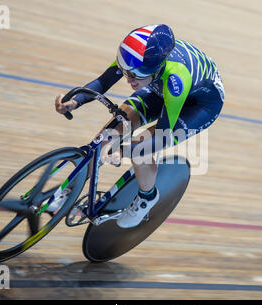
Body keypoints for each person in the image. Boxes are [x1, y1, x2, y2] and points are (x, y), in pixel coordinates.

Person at [55, 24, 225, 228]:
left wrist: (123, 151)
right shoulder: (134, 58)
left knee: (140, 150)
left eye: (135, 76)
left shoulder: (175, 79)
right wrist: (74, 102)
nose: (129, 80)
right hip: (158, 89)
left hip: (199, 105)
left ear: (156, 69)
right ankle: (67, 191)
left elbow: (162, 134)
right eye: (127, 72)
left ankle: (146, 198)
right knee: (107, 138)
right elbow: (103, 82)